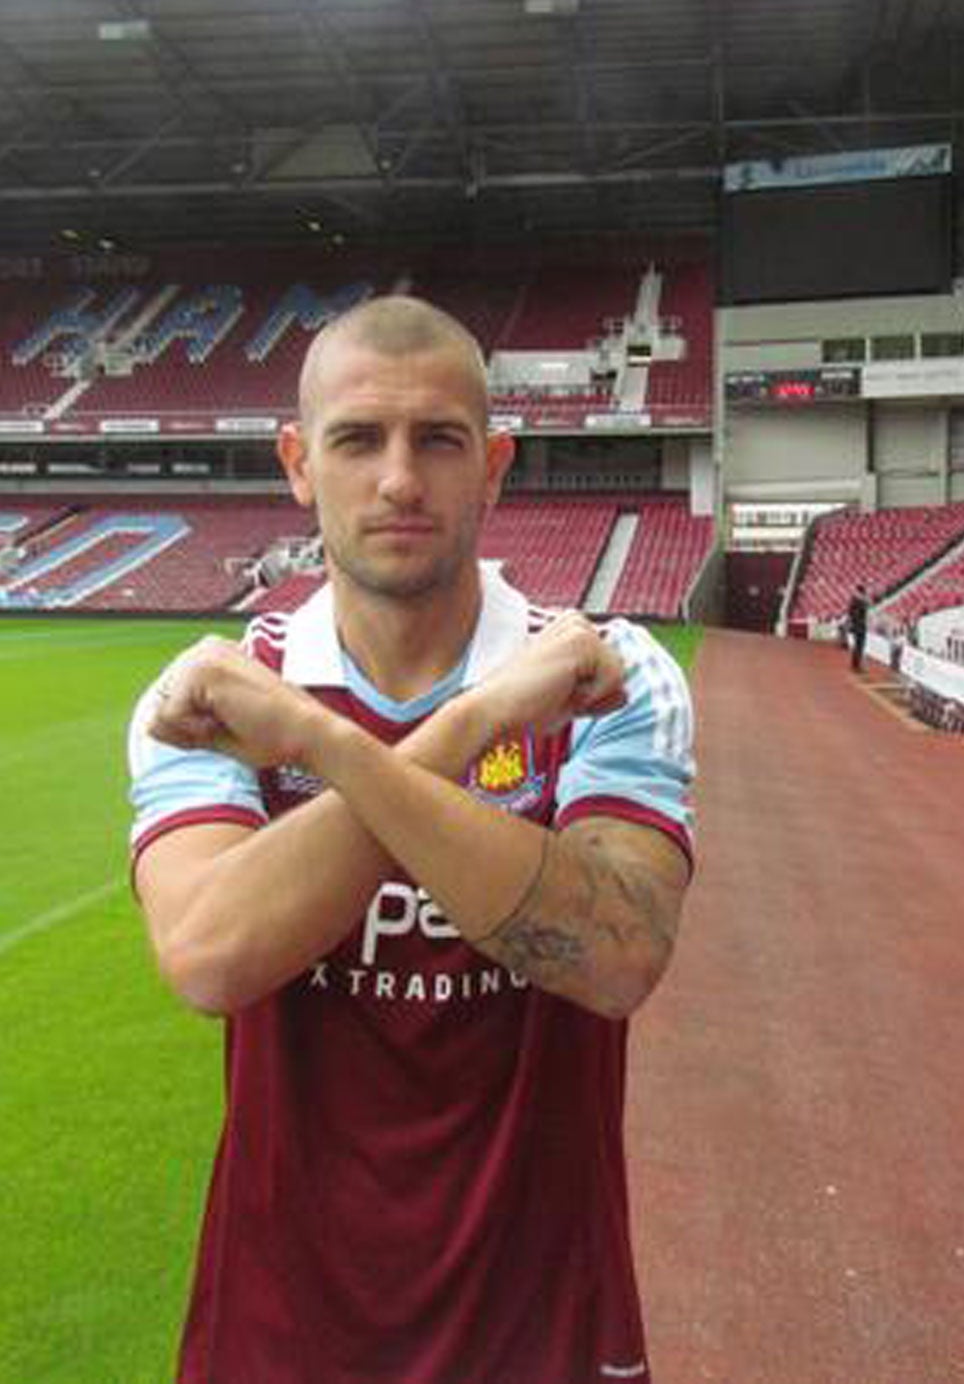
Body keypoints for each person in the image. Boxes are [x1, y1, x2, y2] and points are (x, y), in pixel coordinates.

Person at [127, 295, 696, 1384]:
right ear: (298, 463)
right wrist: (467, 727)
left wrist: (319, 746)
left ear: (492, 465)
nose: (397, 480)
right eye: (356, 440)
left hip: (541, 1334)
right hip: (278, 1338)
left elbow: (618, 958)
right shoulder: (213, 693)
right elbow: (210, 957)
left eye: (437, 441)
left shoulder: (606, 677)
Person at [845, 582, 870, 671]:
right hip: (860, 625)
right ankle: (857, 665)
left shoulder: (853, 600)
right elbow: (867, 603)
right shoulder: (860, 601)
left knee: (857, 646)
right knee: (859, 646)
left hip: (856, 625)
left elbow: (850, 613)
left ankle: (855, 664)